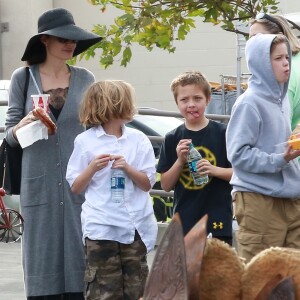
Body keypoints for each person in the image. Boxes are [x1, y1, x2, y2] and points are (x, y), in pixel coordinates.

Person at [4, 8, 102, 300]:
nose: (70, 44)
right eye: (63, 38)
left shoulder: (87, 78)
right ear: (44, 40)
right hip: (39, 180)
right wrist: (23, 124)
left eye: (73, 39)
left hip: (79, 181)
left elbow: (98, 129)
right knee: (40, 255)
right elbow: (9, 135)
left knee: (79, 253)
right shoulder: (23, 78)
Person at [66, 80, 158, 300]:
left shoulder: (138, 140)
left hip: (134, 225)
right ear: (115, 106)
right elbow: (76, 187)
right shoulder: (85, 141)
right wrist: (92, 167)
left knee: (137, 289)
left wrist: (127, 168)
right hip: (101, 227)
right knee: (103, 291)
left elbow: (147, 184)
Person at [226, 33, 300, 263]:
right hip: (258, 199)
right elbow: (237, 154)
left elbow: (277, 142)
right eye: (278, 58)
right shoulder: (249, 103)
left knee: (293, 277)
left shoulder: (283, 99)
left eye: (286, 57)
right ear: (261, 64)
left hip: (291, 197)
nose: (286, 63)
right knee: (260, 278)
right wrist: (281, 158)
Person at [156, 71, 233, 244]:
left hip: (218, 217)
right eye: (184, 100)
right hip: (185, 220)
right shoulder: (172, 138)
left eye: (197, 98)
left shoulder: (224, 133)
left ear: (208, 99)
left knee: (218, 270)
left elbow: (239, 174)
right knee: (187, 270)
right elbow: (166, 185)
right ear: (177, 103)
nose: (191, 104)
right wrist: (179, 161)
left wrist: (214, 170)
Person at [249, 13, 300, 131]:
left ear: (278, 37)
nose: (251, 43)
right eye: (250, 38)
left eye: (257, 37)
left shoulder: (284, 73)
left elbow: (281, 129)